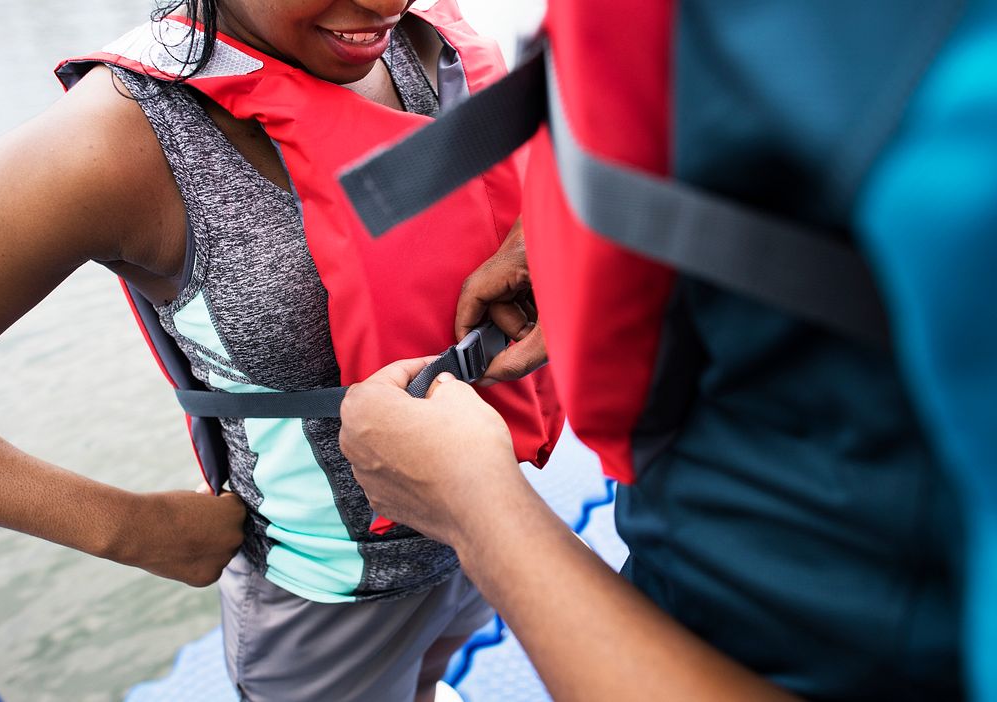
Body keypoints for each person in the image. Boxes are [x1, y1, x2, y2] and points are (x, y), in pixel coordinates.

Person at [339, 0, 996, 699]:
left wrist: (478, 513)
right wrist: (601, 224)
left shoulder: (956, 105)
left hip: (824, 634)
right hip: (701, 528)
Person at [0, 0, 561, 700]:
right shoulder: (117, 139)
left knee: (428, 679)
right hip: (327, 602)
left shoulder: (429, 44)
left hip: (488, 533)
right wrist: (134, 531)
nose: (387, 3)